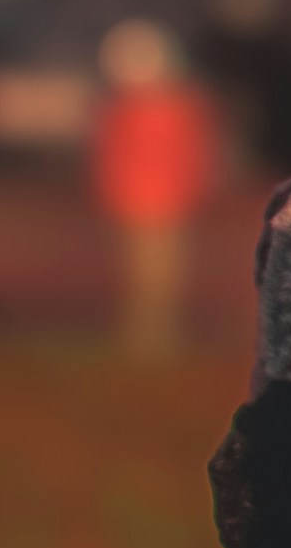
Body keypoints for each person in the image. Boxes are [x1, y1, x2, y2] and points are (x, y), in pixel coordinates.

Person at [90, 18, 222, 360]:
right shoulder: (164, 108)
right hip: (150, 202)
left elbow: (189, 156)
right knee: (151, 275)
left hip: (155, 202)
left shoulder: (154, 110)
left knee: (154, 276)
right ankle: (149, 339)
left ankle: (151, 338)